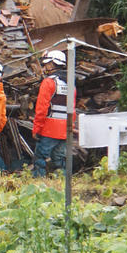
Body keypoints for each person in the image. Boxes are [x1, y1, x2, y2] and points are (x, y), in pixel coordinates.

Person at [32, 49, 71, 177]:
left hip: (49, 129)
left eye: (46, 64)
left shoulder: (49, 82)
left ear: (52, 64)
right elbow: (72, 110)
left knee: (40, 159)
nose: (44, 67)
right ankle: (62, 184)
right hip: (65, 129)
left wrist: (37, 129)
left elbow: (41, 109)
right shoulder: (70, 84)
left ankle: (38, 184)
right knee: (59, 160)